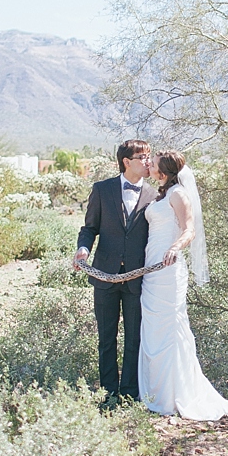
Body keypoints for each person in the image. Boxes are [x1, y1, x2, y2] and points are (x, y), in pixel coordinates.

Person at [138, 150, 228, 422]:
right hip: (151, 271)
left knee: (171, 328)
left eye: (152, 164)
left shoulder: (178, 194)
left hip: (168, 268)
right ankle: (153, 393)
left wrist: (175, 247)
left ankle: (175, 394)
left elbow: (190, 229)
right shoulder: (161, 195)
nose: (149, 166)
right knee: (152, 329)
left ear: (163, 171)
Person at [74, 140, 156, 403]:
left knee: (134, 339)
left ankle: (130, 394)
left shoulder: (154, 196)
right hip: (104, 276)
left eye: (149, 157)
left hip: (138, 278)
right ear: (126, 162)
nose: (147, 161)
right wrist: (83, 250)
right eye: (142, 157)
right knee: (106, 339)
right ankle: (108, 395)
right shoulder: (102, 190)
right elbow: (89, 228)